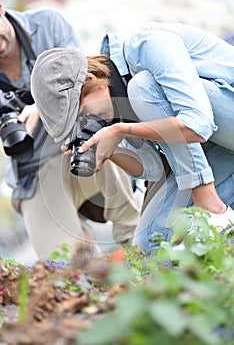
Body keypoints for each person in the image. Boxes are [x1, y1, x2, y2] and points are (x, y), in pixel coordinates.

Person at [30, 44, 234, 253]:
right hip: (214, 151)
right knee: (152, 239)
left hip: (224, 121)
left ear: (90, 80)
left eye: (81, 113)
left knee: (142, 87)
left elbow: (199, 124)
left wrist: (126, 129)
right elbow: (152, 169)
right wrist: (110, 151)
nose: (86, 122)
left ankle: (213, 206)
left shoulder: (146, 46)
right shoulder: (115, 110)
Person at [0, 4, 140, 260]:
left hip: (78, 144)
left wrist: (40, 107)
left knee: (136, 231)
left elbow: (80, 80)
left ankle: (142, 250)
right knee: (66, 267)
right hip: (33, 173)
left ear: (1, 9)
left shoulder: (47, 24)